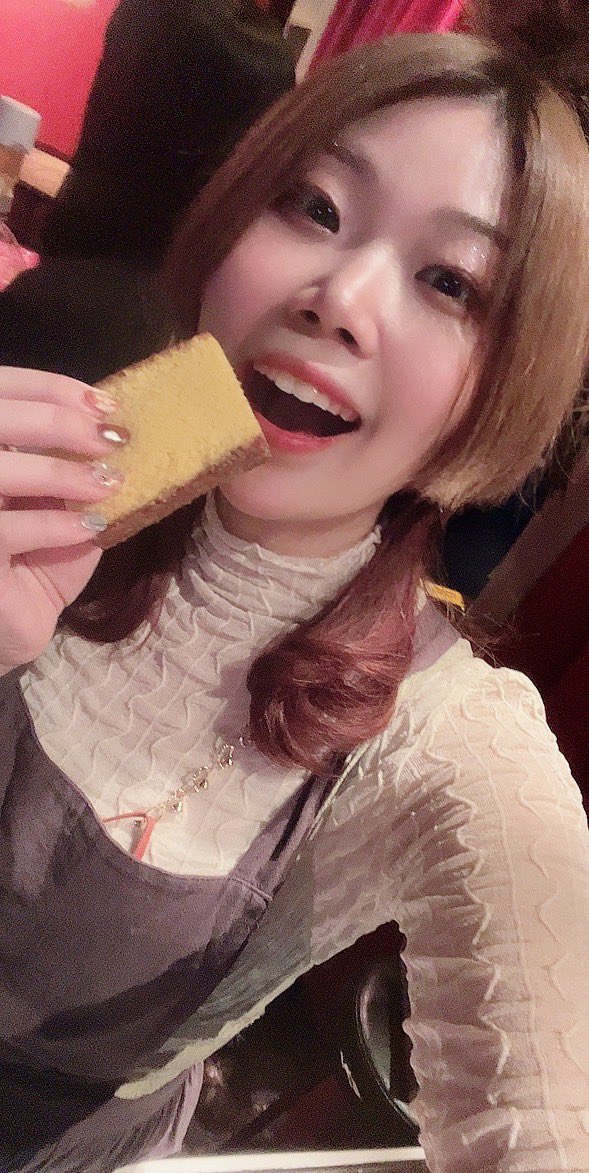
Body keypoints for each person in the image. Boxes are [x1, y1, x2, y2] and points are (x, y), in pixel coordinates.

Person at [0, 29, 588, 1173]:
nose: (340, 299)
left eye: (449, 282)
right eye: (314, 208)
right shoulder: (51, 419)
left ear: (506, 387)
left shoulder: (447, 743)